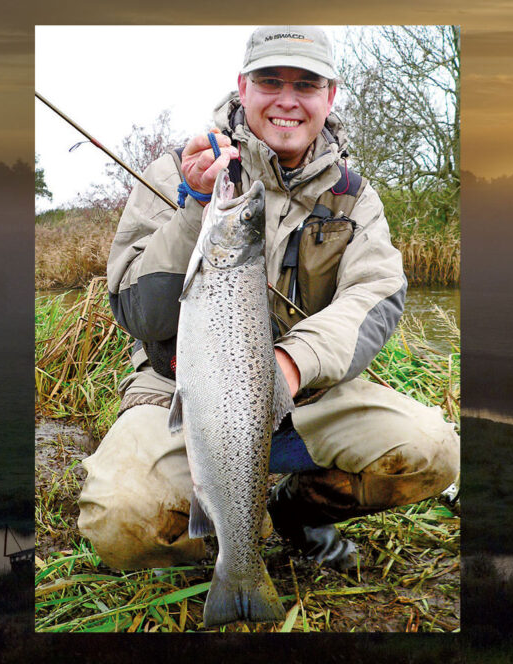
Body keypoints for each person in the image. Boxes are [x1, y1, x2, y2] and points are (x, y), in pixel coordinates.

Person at [77, 25, 459, 571]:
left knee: (434, 450)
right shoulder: (177, 173)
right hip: (180, 393)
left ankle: (294, 512)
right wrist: (196, 207)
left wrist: (292, 363)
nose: (287, 100)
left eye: (305, 84)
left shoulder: (354, 198)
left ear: (330, 95)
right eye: (270, 81)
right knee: (121, 518)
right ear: (242, 86)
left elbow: (375, 296)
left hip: (306, 395)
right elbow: (139, 311)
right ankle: (222, 539)